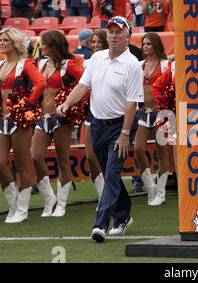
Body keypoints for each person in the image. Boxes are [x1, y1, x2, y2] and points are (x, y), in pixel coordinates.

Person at [56, 16, 143, 242]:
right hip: (98, 124)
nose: (114, 36)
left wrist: (125, 134)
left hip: (120, 125)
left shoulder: (132, 64)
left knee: (112, 173)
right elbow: (83, 85)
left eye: (118, 32)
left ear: (128, 37)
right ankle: (123, 216)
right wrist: (67, 103)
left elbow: (132, 103)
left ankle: (101, 224)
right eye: (111, 32)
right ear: (106, 35)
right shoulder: (96, 58)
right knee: (108, 173)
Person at [0, 27, 47, 223]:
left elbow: (41, 83)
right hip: (1, 120)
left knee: (22, 164)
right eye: (0, 40)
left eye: (5, 40)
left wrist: (27, 104)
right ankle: (13, 205)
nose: (1, 43)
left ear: (15, 43)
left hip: (20, 120)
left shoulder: (25, 64)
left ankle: (22, 209)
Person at [31, 30, 85, 218]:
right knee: (36, 156)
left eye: (44, 43)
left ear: (53, 45)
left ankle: (61, 204)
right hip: (42, 117)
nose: (41, 46)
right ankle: (49, 200)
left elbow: (85, 82)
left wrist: (71, 104)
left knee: (63, 160)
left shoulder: (68, 65)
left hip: (61, 118)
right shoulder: (41, 63)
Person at [134, 32, 171, 206]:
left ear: (156, 45)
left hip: (161, 113)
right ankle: (150, 187)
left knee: (162, 151)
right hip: (143, 112)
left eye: (148, 44)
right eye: (144, 44)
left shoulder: (165, 65)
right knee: (138, 148)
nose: (145, 47)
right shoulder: (139, 65)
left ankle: (161, 192)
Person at [81, 29, 109, 208]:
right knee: (91, 156)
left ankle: (110, 195)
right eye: (93, 42)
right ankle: (102, 196)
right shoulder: (86, 64)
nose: (96, 45)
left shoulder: (113, 62)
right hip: (91, 114)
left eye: (99, 42)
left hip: (110, 115)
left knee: (107, 159)